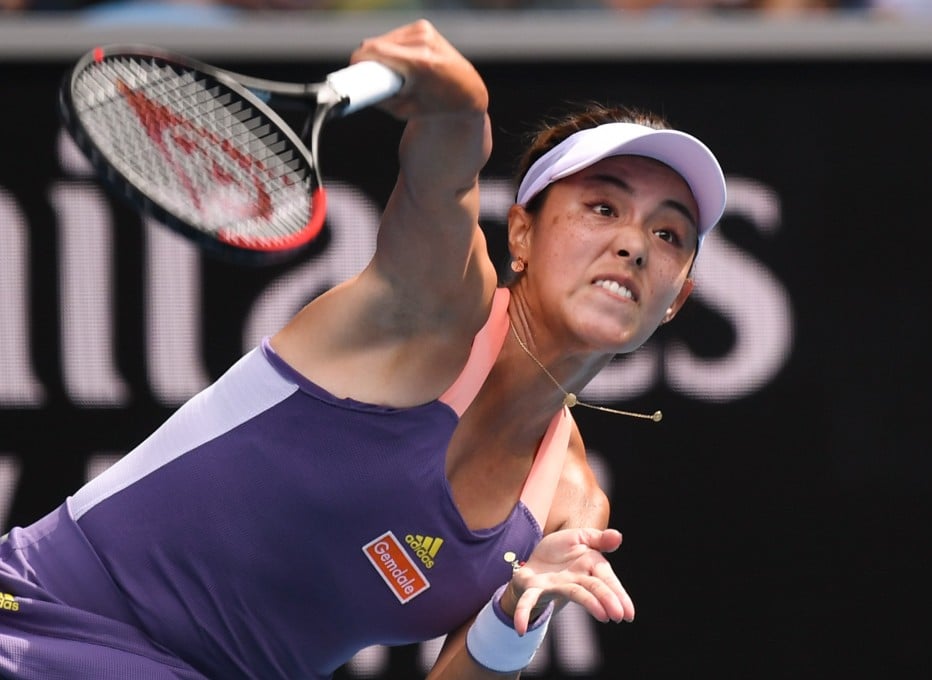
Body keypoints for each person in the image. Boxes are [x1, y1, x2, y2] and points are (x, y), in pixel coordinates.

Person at [0, 18, 726, 680]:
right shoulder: (435, 315)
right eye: (602, 207)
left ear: (677, 299)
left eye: (669, 235)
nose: (634, 244)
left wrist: (513, 619)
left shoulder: (571, 506)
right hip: (42, 624)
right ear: (521, 233)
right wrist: (457, 114)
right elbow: (439, 186)